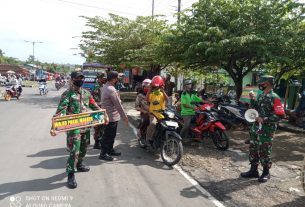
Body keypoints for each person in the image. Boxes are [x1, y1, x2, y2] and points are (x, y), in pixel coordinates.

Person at [50, 71, 102, 189]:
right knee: (75, 150)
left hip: (85, 125)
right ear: (73, 79)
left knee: (84, 148)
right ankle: (70, 173)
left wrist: (104, 115)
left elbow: (95, 106)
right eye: (78, 78)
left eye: (82, 78)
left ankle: (79, 165)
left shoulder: (87, 93)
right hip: (73, 128)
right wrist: (55, 127)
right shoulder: (67, 94)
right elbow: (61, 111)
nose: (81, 80)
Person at [240, 75, 285, 182]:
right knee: (253, 148)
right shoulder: (261, 95)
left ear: (268, 83)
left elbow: (280, 115)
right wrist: (253, 99)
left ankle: (266, 172)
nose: (260, 85)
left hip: (267, 129)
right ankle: (253, 170)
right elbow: (256, 108)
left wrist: (264, 119)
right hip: (256, 127)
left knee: (265, 150)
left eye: (262, 83)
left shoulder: (275, 97)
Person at [99, 71, 128, 161]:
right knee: (108, 135)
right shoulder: (111, 89)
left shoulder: (106, 86)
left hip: (109, 115)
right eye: (116, 79)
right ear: (114, 79)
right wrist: (125, 117)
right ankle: (103, 153)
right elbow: (118, 104)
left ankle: (110, 150)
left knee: (111, 135)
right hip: (111, 116)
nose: (117, 80)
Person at [146, 75, 168, 146]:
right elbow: (146, 99)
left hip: (161, 113)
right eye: (154, 87)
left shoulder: (162, 94)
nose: (156, 88)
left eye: (157, 87)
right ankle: (148, 139)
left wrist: (163, 90)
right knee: (153, 124)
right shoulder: (152, 94)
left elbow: (167, 99)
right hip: (153, 113)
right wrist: (149, 89)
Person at [92, 73, 107, 149]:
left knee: (101, 127)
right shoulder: (97, 87)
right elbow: (96, 100)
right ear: (99, 78)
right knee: (98, 127)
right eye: (103, 78)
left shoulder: (102, 86)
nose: (105, 79)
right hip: (97, 109)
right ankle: (97, 143)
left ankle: (98, 142)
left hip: (101, 108)